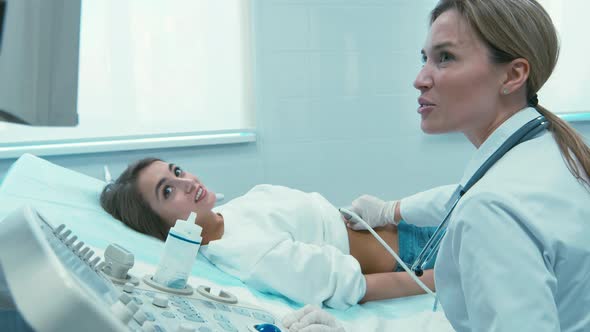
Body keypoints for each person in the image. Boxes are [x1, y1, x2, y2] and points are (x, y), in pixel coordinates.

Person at [284, 0, 590, 331]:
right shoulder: (556, 151)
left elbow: (486, 206)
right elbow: (462, 196)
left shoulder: (492, 209)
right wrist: (391, 210)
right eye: (424, 58)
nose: (420, 79)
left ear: (513, 75)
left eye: (445, 57)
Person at [100, 158, 437, 309]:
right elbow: (355, 287)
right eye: (168, 191)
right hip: (417, 257)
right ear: (161, 228)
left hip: (415, 227)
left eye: (176, 171)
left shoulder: (238, 209)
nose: (187, 182)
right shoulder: (247, 254)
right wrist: (443, 278)